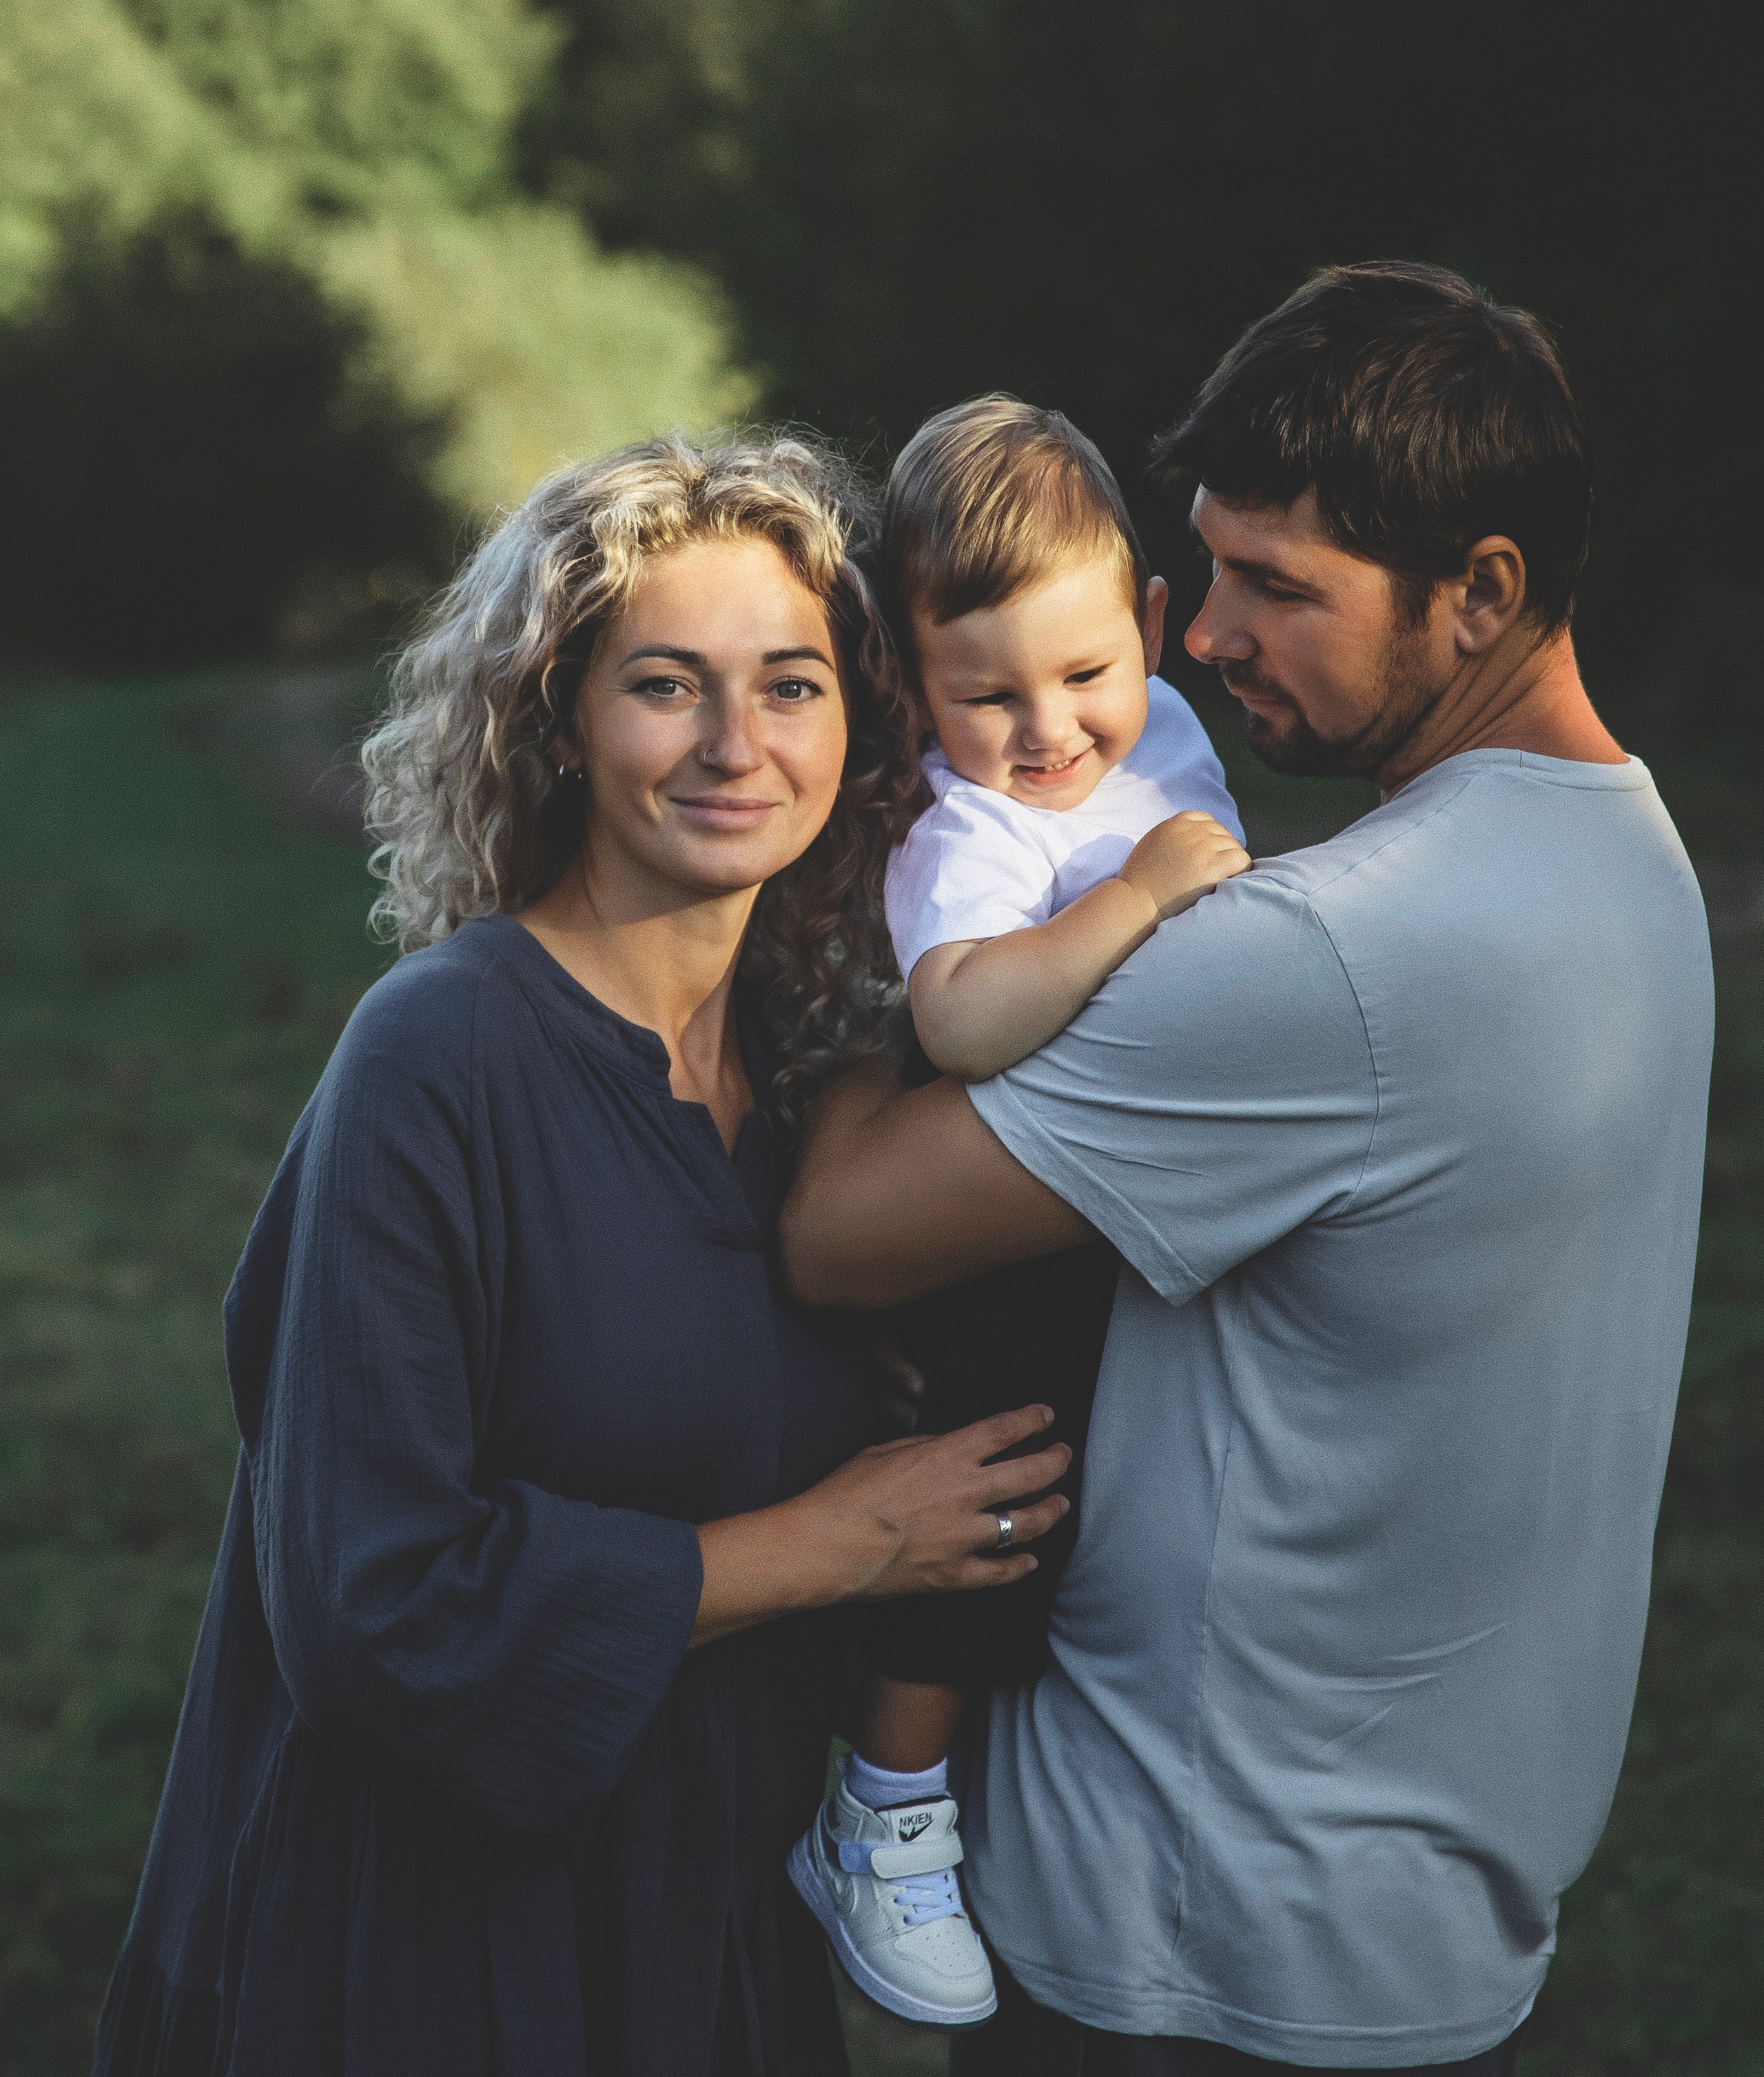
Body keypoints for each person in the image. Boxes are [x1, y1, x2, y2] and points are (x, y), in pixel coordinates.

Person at [781, 264, 1715, 2075]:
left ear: (1482, 592)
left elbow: (836, 1233)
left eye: (1279, 586)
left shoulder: (1335, 953)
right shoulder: (1634, 863)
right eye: (1208, 570)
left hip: (1185, 1924)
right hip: (1424, 1912)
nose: (1205, 635)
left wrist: (839, 926)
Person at [92, 433, 1073, 2077]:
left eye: (790, 686)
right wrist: (836, 1542)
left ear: (856, 722)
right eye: (666, 686)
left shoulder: (813, 1095)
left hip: (701, 1934)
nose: (736, 745)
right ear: (557, 719)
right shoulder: (439, 1057)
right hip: (426, 1954)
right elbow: (369, 1602)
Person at [789, 396, 1247, 2029]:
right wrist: (1131, 898)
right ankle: (883, 1812)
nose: (1048, 730)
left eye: (1083, 674)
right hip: (987, 1231)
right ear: (911, 688)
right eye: (986, 695)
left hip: (1113, 1204)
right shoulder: (964, 825)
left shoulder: (1159, 732)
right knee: (992, 1501)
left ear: (1148, 627)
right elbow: (967, 1015)